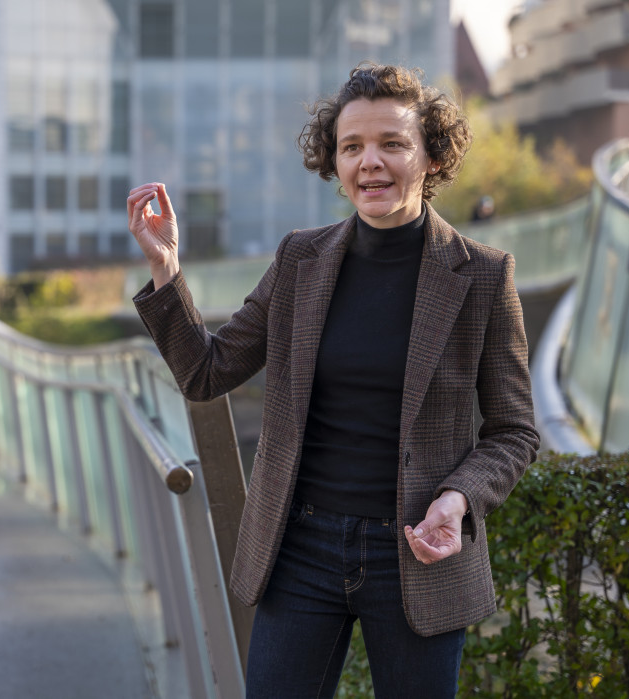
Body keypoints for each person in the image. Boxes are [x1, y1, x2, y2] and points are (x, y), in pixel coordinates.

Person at [128, 63, 539, 698]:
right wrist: (166, 268)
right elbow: (206, 373)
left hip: (417, 555)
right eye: (352, 147)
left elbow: (513, 432)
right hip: (301, 550)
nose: (370, 162)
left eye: (392, 144)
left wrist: (457, 500)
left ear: (431, 156)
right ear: (334, 161)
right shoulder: (300, 259)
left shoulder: (483, 276)